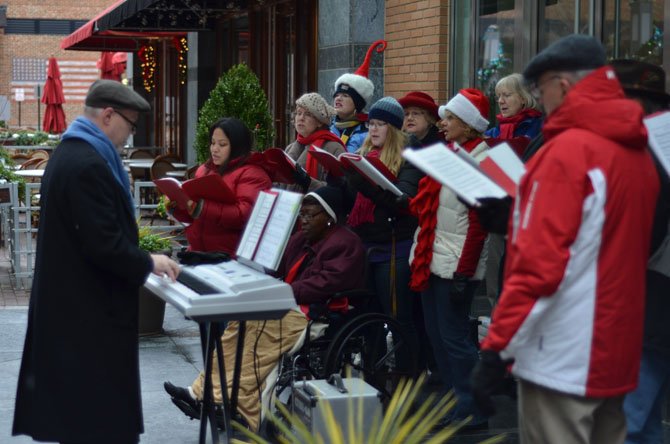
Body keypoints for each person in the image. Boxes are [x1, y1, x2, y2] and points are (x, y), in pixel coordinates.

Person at [471, 35, 660, 444]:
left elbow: (539, 268)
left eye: (541, 90)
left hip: (562, 354)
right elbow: (604, 239)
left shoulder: (567, 153)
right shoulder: (637, 152)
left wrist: (496, 348)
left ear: (566, 85)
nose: (540, 101)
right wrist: (516, 216)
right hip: (615, 351)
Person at [12, 79, 181, 444]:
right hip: (84, 323)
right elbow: (103, 244)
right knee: (96, 430)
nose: (129, 135)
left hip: (76, 318)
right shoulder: (87, 163)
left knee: (83, 427)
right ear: (108, 115)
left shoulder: (74, 152)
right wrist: (148, 261)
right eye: (130, 125)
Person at [164, 186, 365, 432]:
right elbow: (276, 266)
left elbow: (326, 284)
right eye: (302, 214)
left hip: (314, 311)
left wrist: (281, 292)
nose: (304, 220)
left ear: (330, 219)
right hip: (287, 302)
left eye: (311, 216)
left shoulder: (346, 243)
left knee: (261, 331)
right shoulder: (303, 237)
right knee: (239, 322)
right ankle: (202, 391)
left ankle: (227, 402)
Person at [408, 88, 491, 429]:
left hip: (455, 264)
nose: (442, 124)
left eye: (450, 119)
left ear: (469, 125)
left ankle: (475, 408)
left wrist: (464, 272)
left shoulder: (481, 161)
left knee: (455, 338)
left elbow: (478, 224)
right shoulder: (452, 153)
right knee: (437, 334)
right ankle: (459, 400)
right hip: (434, 256)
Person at [611, 59, 670, 444]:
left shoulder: (648, 147)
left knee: (628, 422)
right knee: (643, 422)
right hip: (649, 297)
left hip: (651, 297)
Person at [344, 96, 424, 371]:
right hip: (366, 247)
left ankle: (408, 382)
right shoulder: (366, 154)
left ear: (394, 129)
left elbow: (406, 201)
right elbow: (352, 200)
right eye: (371, 124)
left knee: (399, 319)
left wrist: (366, 185)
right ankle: (374, 377)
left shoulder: (408, 157)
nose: (374, 130)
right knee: (370, 318)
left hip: (394, 249)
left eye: (381, 124)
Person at [170, 117, 272, 253]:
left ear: (237, 146)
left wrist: (202, 208)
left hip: (230, 259)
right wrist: (177, 207)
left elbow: (244, 216)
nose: (215, 149)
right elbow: (193, 216)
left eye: (222, 144)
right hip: (198, 253)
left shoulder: (253, 174)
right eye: (212, 143)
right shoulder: (203, 170)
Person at [330, 40, 387, 153]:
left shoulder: (369, 132)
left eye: (345, 95)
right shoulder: (327, 126)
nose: (338, 98)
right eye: (337, 95)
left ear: (357, 103)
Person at [284, 93, 345, 192]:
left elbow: (340, 190)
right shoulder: (290, 148)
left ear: (319, 122)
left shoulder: (334, 148)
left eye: (308, 114)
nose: (301, 118)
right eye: (298, 113)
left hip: (315, 206)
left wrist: (308, 182)